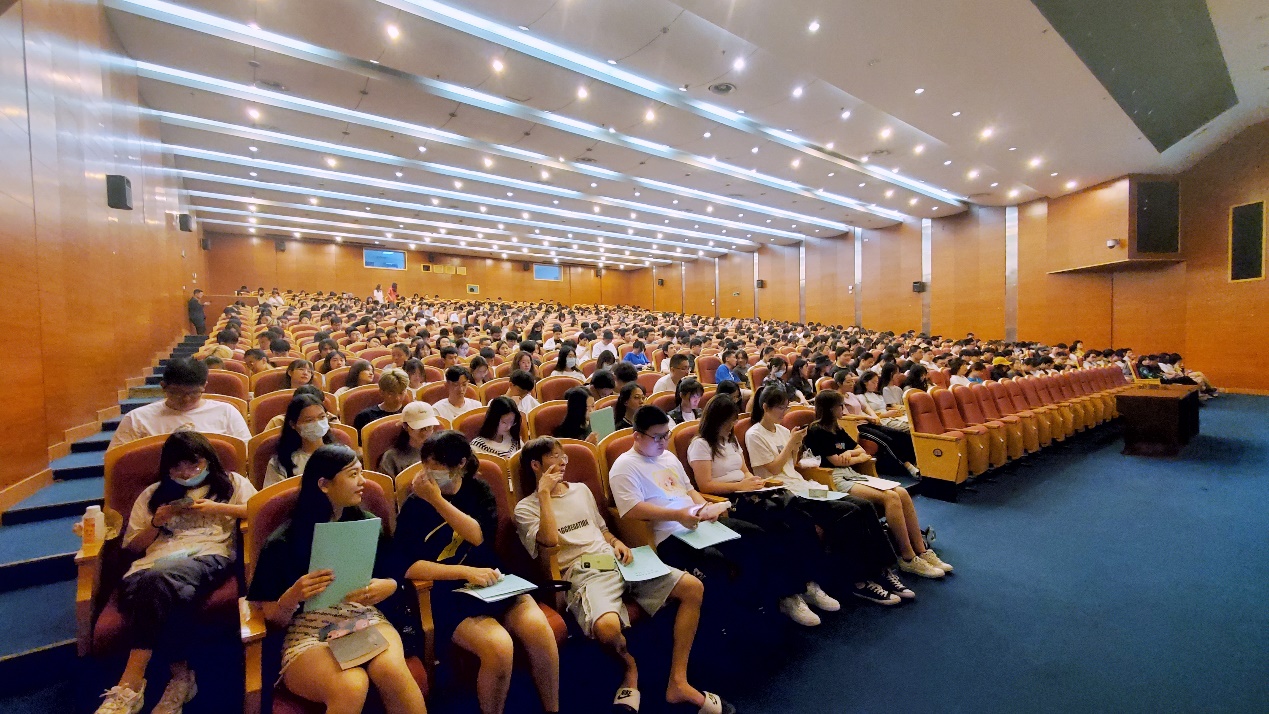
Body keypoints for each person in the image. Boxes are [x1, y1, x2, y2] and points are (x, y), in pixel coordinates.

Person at [513, 437, 732, 714]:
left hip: (618, 559)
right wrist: (544, 494)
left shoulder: (581, 490)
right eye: (554, 457)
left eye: (563, 456)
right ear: (536, 465)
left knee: (692, 587)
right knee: (607, 630)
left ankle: (678, 681)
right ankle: (631, 668)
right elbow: (548, 543)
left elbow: (601, 529)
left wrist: (616, 542)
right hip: (585, 571)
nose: (563, 462)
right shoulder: (526, 508)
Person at [246, 445, 425, 714]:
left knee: (391, 670)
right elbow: (272, 618)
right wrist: (292, 596)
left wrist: (388, 586)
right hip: (308, 630)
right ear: (324, 484)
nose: (362, 481)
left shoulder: (367, 524)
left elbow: (395, 573)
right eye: (353, 475)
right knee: (351, 684)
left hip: (361, 615)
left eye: (361, 472)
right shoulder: (283, 541)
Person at [395, 432, 560, 714]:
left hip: (490, 577)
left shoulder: (478, 490)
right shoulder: (414, 504)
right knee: (499, 647)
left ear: (460, 464)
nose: (428, 473)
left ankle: (552, 709)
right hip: (446, 590)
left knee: (539, 630)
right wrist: (464, 571)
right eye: (426, 465)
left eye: (437, 465)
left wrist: (439, 501)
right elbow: (407, 566)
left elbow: (477, 536)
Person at [94, 432, 257, 714]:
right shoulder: (152, 494)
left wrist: (218, 508)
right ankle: (180, 678)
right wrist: (156, 523)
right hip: (153, 563)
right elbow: (133, 547)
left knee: (157, 583)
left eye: (194, 464)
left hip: (206, 555)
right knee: (160, 587)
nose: (186, 473)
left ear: (208, 460)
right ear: (167, 469)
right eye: (177, 467)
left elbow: (259, 511)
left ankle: (130, 682)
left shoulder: (231, 483)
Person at [608, 406, 815, 628]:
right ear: (637, 436)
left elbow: (689, 490)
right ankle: (729, 624)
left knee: (757, 537)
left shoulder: (668, 457)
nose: (663, 442)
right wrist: (678, 515)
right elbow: (631, 509)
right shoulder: (624, 466)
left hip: (698, 522)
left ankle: (763, 605)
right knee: (715, 563)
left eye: (666, 435)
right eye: (657, 437)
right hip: (669, 534)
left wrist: (705, 507)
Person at [686, 398, 842, 626]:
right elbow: (705, 484)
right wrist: (739, 486)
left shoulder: (730, 440)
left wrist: (755, 482)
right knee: (777, 529)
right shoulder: (701, 444)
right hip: (729, 500)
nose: (731, 426)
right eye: (728, 422)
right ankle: (789, 595)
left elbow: (745, 471)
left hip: (749, 493)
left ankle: (809, 583)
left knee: (802, 520)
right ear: (716, 420)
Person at [745, 387, 907, 605]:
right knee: (849, 512)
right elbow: (773, 469)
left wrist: (796, 446)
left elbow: (793, 464)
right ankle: (859, 581)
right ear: (765, 407)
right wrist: (791, 444)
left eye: (786, 407)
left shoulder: (782, 430)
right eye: (780, 408)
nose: (784, 412)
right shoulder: (754, 434)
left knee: (864, 506)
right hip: (784, 491)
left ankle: (882, 569)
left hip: (802, 484)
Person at [804, 391, 950, 578]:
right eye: (841, 406)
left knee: (902, 493)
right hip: (833, 478)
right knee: (890, 497)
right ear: (831, 408)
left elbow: (861, 451)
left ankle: (921, 550)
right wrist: (853, 457)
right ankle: (908, 558)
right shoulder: (816, 430)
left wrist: (850, 455)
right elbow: (836, 462)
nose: (844, 409)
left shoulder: (837, 428)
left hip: (851, 473)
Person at [109, 358, 251, 449]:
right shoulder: (137, 419)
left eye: (194, 393)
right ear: (163, 386)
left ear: (204, 386)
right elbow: (118, 462)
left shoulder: (226, 412)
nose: (186, 399)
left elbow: (243, 453)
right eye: (177, 393)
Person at [264, 394, 335, 487]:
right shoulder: (279, 463)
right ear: (293, 424)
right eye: (309, 420)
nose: (317, 423)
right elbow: (274, 495)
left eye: (322, 417)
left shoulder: (340, 454)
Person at [378, 402, 441, 477]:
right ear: (405, 426)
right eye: (420, 428)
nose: (425, 432)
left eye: (429, 427)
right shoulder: (391, 457)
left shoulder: (439, 451)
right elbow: (385, 484)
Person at [352, 369, 411, 434]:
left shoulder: (411, 414)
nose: (397, 398)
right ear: (381, 392)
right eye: (391, 394)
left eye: (401, 393)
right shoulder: (365, 417)